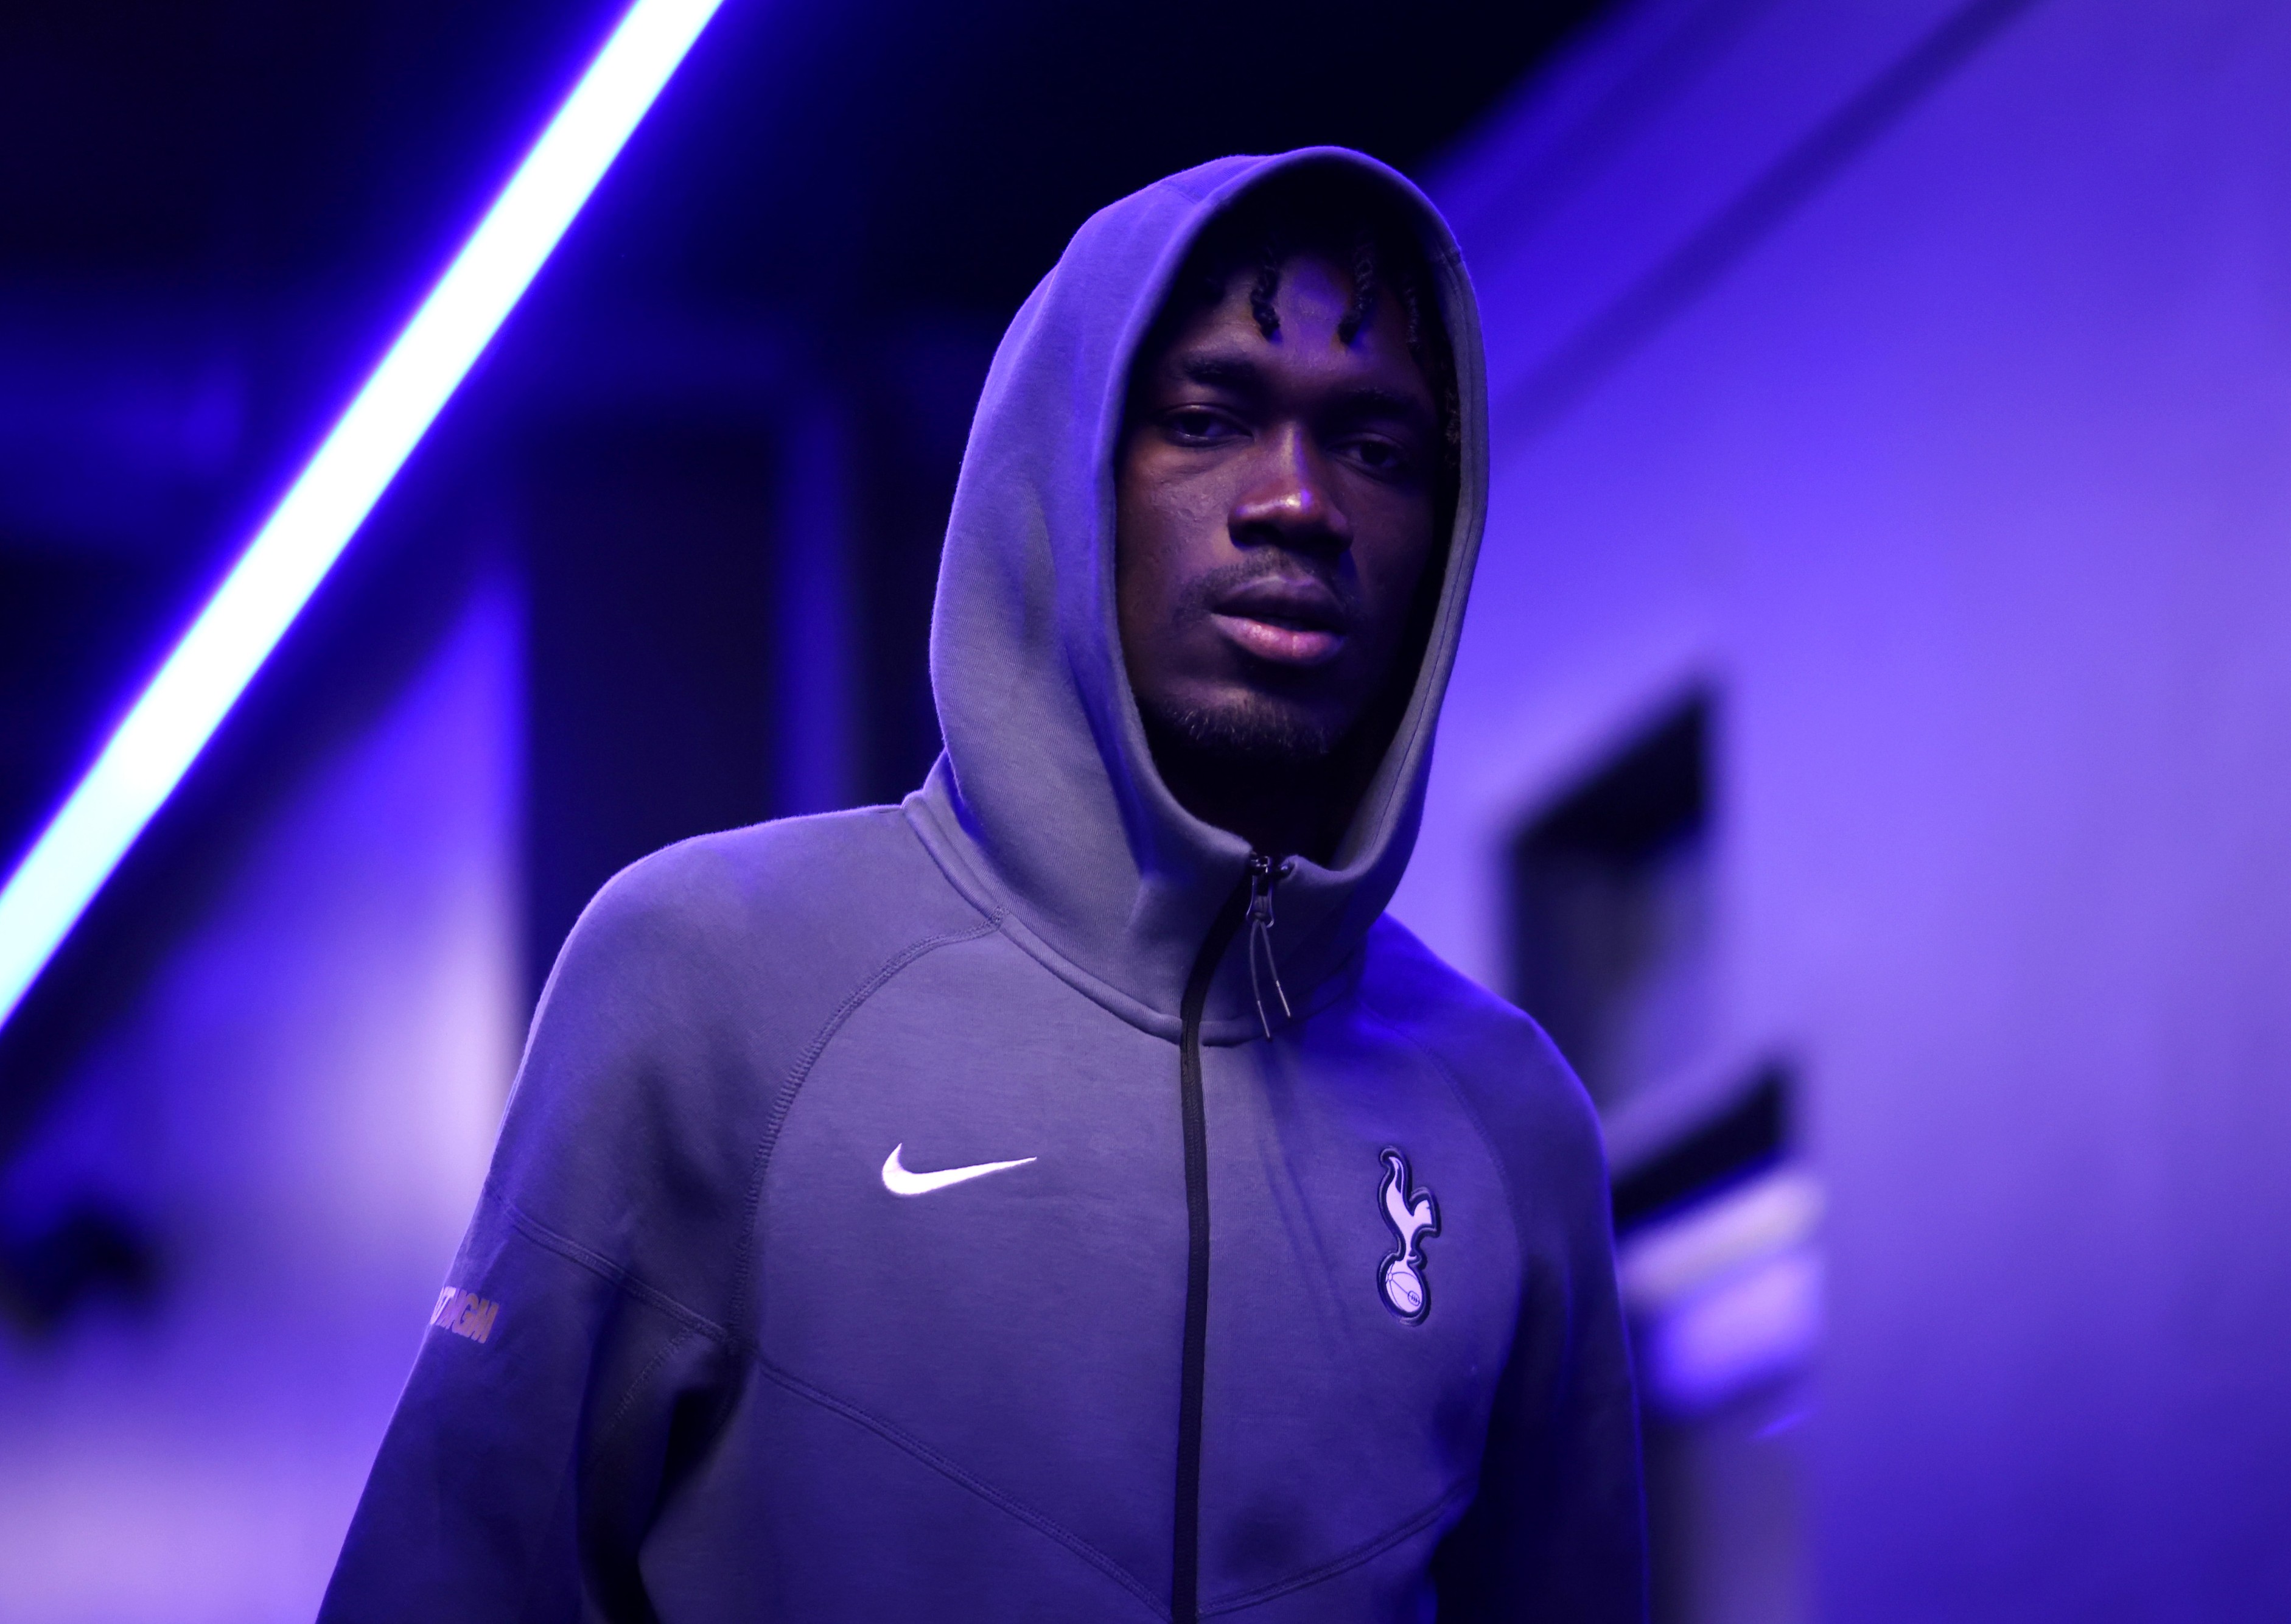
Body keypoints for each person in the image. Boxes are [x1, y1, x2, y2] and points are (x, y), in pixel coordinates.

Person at [321, 147, 1645, 1622]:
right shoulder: (716, 975)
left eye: (1376, 447)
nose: (1296, 501)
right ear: (1062, 478)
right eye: (1206, 419)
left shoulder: (1504, 1120)